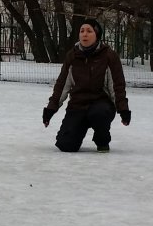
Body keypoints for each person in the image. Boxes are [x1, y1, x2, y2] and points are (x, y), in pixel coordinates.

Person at [43, 18, 131, 152]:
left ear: (97, 35)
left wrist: (123, 109)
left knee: (99, 114)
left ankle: (102, 140)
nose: (84, 34)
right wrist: (51, 109)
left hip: (101, 104)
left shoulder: (109, 56)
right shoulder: (72, 56)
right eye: (82, 31)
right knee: (65, 145)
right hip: (78, 106)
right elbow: (62, 85)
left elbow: (117, 86)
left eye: (89, 31)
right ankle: (75, 130)